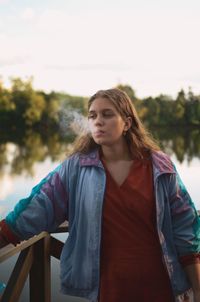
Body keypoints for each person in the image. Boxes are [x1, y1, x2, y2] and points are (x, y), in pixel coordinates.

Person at [0, 88, 200, 302]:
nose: (98, 121)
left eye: (107, 114)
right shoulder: (76, 167)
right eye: (92, 115)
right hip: (108, 287)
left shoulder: (159, 165)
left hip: (160, 285)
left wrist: (197, 288)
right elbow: (37, 207)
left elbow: (184, 225)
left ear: (127, 123)